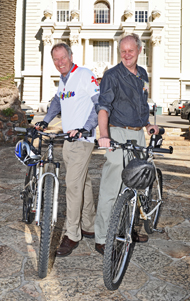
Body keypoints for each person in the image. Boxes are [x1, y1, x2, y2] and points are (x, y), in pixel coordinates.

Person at [94, 33, 159, 255]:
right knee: (111, 189)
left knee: (135, 186)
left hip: (138, 135)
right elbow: (103, 108)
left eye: (131, 50)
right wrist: (104, 136)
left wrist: (148, 124)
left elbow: (141, 104)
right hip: (117, 134)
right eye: (123, 51)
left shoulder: (142, 74)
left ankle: (127, 229)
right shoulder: (112, 75)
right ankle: (102, 237)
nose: (127, 54)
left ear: (140, 50)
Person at [35, 43, 100, 257]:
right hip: (68, 141)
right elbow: (57, 102)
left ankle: (72, 234)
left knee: (72, 186)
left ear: (71, 56)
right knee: (83, 182)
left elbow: (98, 103)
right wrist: (45, 121)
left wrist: (87, 128)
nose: (60, 62)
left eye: (63, 58)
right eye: (56, 59)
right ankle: (89, 225)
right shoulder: (63, 82)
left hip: (83, 139)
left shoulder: (84, 74)